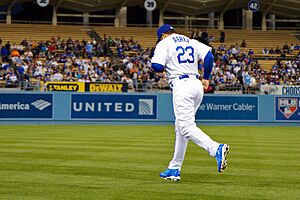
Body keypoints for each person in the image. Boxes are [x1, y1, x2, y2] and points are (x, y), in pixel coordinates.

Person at [151, 24, 230, 182]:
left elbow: (157, 67)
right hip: (196, 85)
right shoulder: (190, 41)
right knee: (181, 128)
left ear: (163, 35)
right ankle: (174, 168)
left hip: (182, 86)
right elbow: (209, 57)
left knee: (186, 127)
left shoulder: (164, 43)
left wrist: (161, 61)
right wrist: (206, 78)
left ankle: (215, 148)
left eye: (159, 37)